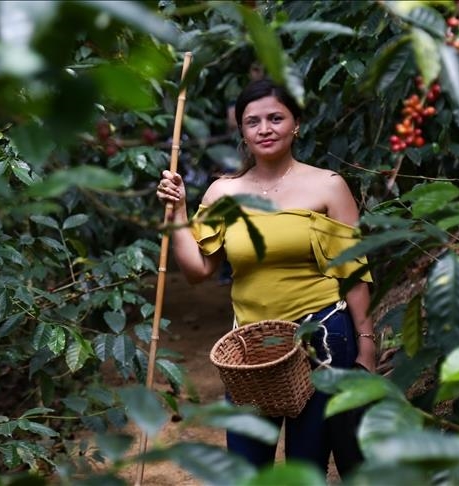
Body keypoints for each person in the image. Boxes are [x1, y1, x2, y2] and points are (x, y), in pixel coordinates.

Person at [155, 78, 376, 476]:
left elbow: (354, 274)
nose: (265, 128)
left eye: (276, 118)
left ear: (297, 124)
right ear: (242, 131)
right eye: (253, 121)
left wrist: (366, 345)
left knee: (305, 465)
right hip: (252, 352)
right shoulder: (224, 193)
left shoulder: (327, 185)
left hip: (321, 340)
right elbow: (197, 271)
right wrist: (179, 213)